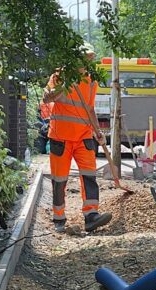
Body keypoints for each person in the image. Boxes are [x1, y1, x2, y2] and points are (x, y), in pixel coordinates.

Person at [43, 44, 112, 233]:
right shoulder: (59, 76)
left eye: (89, 58)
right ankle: (59, 218)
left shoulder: (91, 80)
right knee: (59, 179)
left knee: (89, 175)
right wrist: (64, 85)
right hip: (61, 137)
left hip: (84, 137)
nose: (87, 61)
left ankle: (91, 215)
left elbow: (89, 109)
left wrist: (98, 132)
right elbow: (47, 98)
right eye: (84, 57)